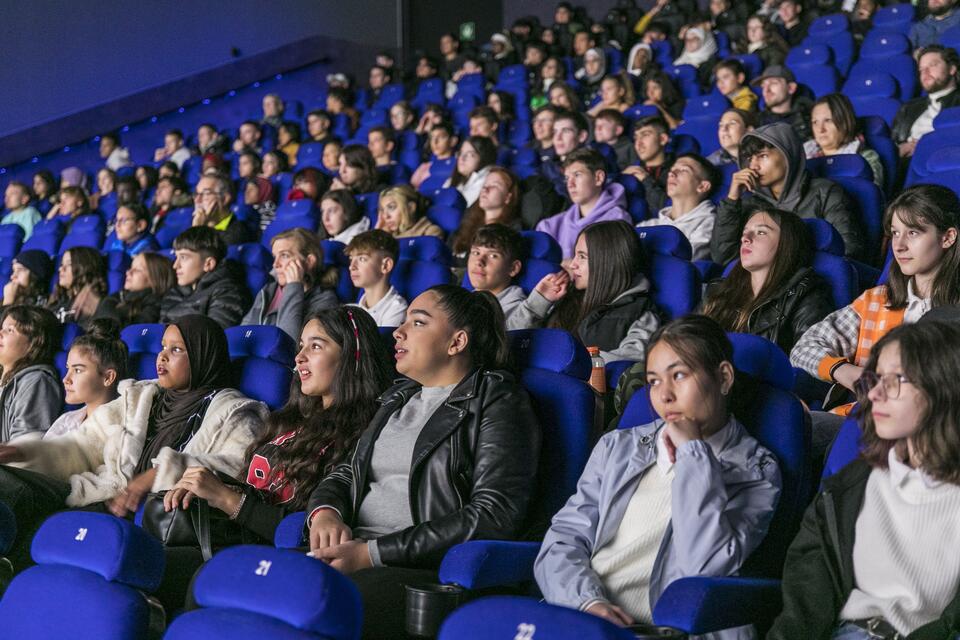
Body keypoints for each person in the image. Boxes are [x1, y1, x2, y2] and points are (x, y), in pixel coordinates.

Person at [306, 285, 541, 640]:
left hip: (418, 569)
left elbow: (494, 515)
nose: (398, 332)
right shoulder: (398, 396)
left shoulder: (498, 400)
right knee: (227, 587)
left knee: (314, 611)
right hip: (351, 552)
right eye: (403, 321)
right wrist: (325, 511)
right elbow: (346, 471)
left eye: (417, 322)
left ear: (456, 342)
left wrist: (373, 553)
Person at [535, 315, 781, 631]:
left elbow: (703, 566)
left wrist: (693, 453)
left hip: (665, 631)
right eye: (653, 381)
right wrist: (586, 603)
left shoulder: (756, 469)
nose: (664, 395)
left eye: (678, 375)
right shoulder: (618, 446)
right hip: (584, 616)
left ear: (723, 378)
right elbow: (564, 538)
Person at [160, 307, 392, 609]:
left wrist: (227, 499)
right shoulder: (288, 419)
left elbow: (304, 535)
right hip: (234, 540)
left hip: (276, 557)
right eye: (301, 346)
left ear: (351, 357)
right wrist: (208, 484)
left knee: (188, 576)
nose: (299, 357)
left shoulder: (364, 434)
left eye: (317, 346)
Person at [0, 315, 268, 569]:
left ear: (202, 356)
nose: (161, 356)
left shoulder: (235, 412)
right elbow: (82, 445)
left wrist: (156, 475)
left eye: (176, 350)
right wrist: (21, 450)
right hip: (102, 492)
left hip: (151, 516)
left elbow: (233, 466)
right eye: (163, 347)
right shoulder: (142, 396)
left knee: (39, 529)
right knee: (8, 480)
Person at [770, 321, 960, 640]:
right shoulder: (850, 486)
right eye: (876, 378)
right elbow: (802, 605)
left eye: (895, 380)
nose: (873, 393)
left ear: (944, 389)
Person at [791, 185, 960, 433]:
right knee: (794, 427)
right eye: (895, 233)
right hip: (861, 420)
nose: (899, 246)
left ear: (948, 238)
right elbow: (803, 348)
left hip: (934, 429)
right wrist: (847, 372)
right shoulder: (878, 300)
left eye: (913, 233)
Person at [711, 122, 864, 264]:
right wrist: (732, 200)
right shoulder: (750, 203)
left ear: (788, 155)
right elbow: (723, 257)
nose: (753, 166)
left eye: (763, 156)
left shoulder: (825, 192)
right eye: (750, 159)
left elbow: (849, 251)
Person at [517, 221, 661, 364]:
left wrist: (564, 359)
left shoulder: (641, 313)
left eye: (582, 256)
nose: (572, 264)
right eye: (575, 255)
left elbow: (631, 362)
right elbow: (511, 340)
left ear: (608, 262)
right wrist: (537, 303)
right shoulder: (567, 296)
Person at [701, 206, 833, 354]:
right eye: (745, 233)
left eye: (761, 232)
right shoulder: (717, 290)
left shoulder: (806, 292)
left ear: (786, 243)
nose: (745, 238)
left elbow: (809, 359)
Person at [242, 228, 338, 341]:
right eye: (274, 256)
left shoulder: (325, 300)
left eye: (284, 255)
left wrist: (294, 285)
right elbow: (242, 332)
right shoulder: (267, 290)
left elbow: (289, 342)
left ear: (309, 261)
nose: (275, 264)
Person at [537, 148, 633, 261]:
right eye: (567, 178)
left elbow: (612, 266)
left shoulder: (618, 220)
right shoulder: (551, 225)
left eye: (577, 175)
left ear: (598, 178)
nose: (570, 184)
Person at [45, 320, 126, 439]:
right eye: (68, 369)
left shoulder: (120, 430)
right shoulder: (66, 421)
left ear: (108, 377)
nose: (66, 379)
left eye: (77, 370)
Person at [160, 226, 251, 329]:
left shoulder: (228, 292)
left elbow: (214, 338)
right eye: (176, 257)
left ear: (208, 264)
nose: (175, 265)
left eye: (183, 257)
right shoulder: (175, 292)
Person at [638, 153, 720, 261]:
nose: (671, 173)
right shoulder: (648, 225)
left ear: (702, 186)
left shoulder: (709, 223)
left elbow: (687, 260)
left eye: (683, 170)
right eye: (672, 169)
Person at [0, 305, 63, 442]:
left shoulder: (37, 382)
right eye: (2, 328)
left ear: (33, 343)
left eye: (9, 330)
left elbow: (23, 449)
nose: (0, 333)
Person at [891, 45, 960, 158]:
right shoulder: (908, 108)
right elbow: (892, 143)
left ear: (952, 69)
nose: (925, 72)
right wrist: (900, 150)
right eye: (921, 69)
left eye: (932, 65)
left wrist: (925, 146)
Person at [803, 94, 884, 189]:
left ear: (845, 122)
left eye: (828, 120)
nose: (820, 129)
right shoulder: (802, 156)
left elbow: (872, 197)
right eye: (815, 122)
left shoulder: (867, 158)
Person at [449, 167, 522, 264]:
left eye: (494, 186)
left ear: (508, 197)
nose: (485, 189)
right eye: (484, 184)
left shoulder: (513, 229)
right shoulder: (467, 219)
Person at [466, 224, 528, 325]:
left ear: (513, 268)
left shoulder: (516, 311)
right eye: (476, 253)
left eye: (493, 255)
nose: (479, 261)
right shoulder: (464, 300)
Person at [346, 230, 408, 327]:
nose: (351, 267)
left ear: (386, 266)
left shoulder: (396, 310)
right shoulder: (349, 309)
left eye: (362, 259)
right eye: (351, 259)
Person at [47, 247, 118, 328]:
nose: (61, 269)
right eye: (62, 264)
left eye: (69, 264)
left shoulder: (100, 304)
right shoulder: (57, 300)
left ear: (85, 268)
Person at [105, 252, 177, 326]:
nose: (128, 272)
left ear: (155, 279)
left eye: (137, 270)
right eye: (131, 267)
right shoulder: (118, 297)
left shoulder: (155, 305)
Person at [622, 115, 674, 215]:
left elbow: (669, 210)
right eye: (635, 138)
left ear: (663, 139)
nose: (638, 143)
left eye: (645, 135)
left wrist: (646, 180)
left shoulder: (677, 170)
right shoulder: (630, 171)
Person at [191, 173, 256, 246]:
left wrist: (197, 229)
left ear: (225, 199)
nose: (197, 200)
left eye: (206, 193)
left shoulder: (238, 231)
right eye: (196, 194)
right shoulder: (195, 222)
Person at [754, 66, 814, 142]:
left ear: (791, 88)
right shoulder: (757, 122)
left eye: (773, 83)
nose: (766, 90)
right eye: (763, 86)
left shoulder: (809, 117)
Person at [374, 184, 444, 239]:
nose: (386, 216)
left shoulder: (430, 232)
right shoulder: (387, 236)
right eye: (383, 210)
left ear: (411, 207)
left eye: (391, 207)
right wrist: (378, 234)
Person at [444, 136, 497, 208]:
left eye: (470, 154)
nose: (462, 158)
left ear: (483, 158)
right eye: (461, 153)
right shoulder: (453, 180)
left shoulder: (486, 180)